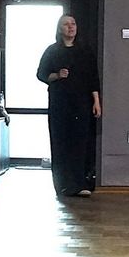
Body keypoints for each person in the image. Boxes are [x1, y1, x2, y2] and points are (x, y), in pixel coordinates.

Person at [36, 14, 101, 197]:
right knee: (60, 142)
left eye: (73, 23)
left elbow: (93, 78)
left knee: (80, 142)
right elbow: (41, 74)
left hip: (81, 103)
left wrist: (96, 101)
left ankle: (81, 183)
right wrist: (57, 75)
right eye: (66, 24)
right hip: (59, 103)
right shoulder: (52, 51)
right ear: (60, 29)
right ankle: (63, 185)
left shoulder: (85, 51)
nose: (71, 27)